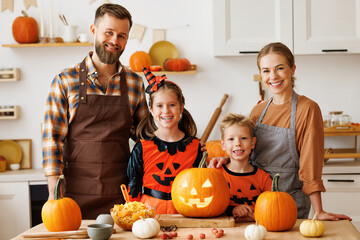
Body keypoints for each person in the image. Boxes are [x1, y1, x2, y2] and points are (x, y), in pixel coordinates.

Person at [210, 42, 351, 221]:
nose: (273, 76)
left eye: (279, 68)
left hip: (288, 201)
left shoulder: (307, 109)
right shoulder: (258, 111)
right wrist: (227, 160)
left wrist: (319, 211)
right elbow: (247, 149)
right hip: (253, 204)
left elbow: (311, 163)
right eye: (266, 70)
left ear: (292, 69)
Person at [42, 3, 148, 219]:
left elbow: (145, 139)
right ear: (93, 31)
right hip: (73, 196)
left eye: (122, 36)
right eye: (108, 32)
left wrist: (185, 143)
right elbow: (52, 140)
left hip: (122, 196)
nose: (114, 41)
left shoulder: (135, 84)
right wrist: (55, 194)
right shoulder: (65, 81)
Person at [127, 67, 203, 214]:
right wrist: (133, 213)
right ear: (151, 109)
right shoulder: (142, 147)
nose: (166, 111)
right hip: (149, 212)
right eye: (159, 106)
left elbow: (202, 183)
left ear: (181, 107)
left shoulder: (196, 147)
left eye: (172, 105)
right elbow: (133, 183)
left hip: (185, 211)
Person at [218, 113, 272, 222]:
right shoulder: (217, 174)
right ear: (223, 145)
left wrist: (256, 216)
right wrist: (232, 210)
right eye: (231, 139)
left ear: (252, 143)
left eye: (243, 138)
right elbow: (209, 206)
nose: (238, 143)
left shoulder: (263, 178)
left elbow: (273, 208)